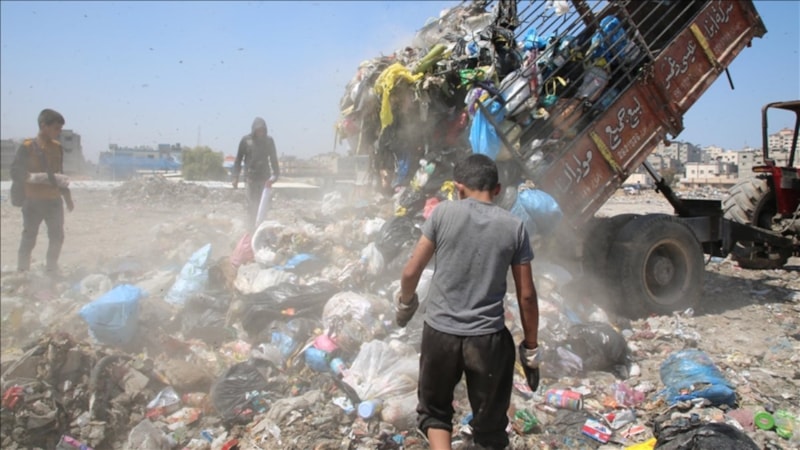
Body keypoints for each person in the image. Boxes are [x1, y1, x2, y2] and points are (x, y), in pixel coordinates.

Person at [396, 153, 541, 450]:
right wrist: (530, 349)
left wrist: (406, 304)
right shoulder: (514, 226)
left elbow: (411, 272)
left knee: (435, 413)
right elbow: (526, 295)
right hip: (487, 340)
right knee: (490, 425)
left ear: (458, 187)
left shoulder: (442, 214)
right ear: (497, 190)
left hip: (440, 335)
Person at [11, 108, 75, 274]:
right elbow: (15, 172)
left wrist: (67, 197)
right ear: (43, 126)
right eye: (56, 128)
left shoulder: (57, 147)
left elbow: (58, 175)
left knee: (57, 237)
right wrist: (33, 177)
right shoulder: (27, 147)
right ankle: (23, 271)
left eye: (60, 128)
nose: (59, 132)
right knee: (29, 237)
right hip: (33, 200)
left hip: (54, 201)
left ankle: (51, 269)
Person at [232, 117, 280, 227]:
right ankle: (250, 229)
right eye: (258, 130)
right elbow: (238, 159)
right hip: (250, 179)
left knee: (263, 207)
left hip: (265, 180)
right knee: (251, 206)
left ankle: (261, 229)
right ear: (254, 130)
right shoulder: (246, 141)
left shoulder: (269, 141)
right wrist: (235, 177)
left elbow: (273, 159)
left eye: (262, 130)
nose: (260, 133)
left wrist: (276, 175)